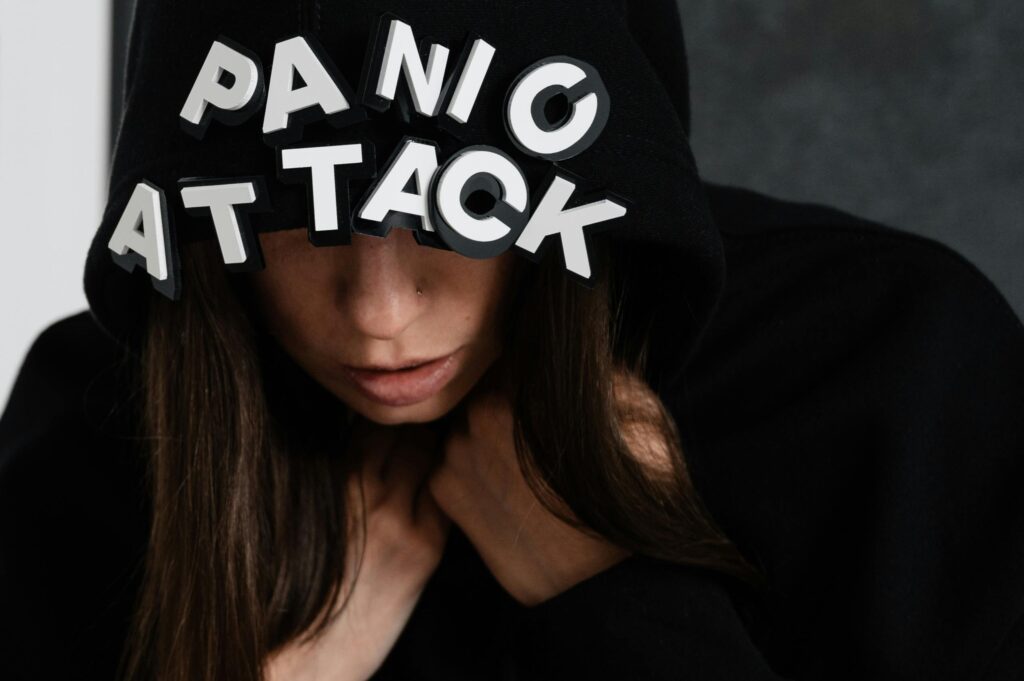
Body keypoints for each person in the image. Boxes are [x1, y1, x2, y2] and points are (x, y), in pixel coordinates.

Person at [2, 1, 1023, 680]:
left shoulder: (884, 366)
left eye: (458, 209)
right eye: (296, 221)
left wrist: (622, 602)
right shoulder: (93, 422)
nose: (380, 314)